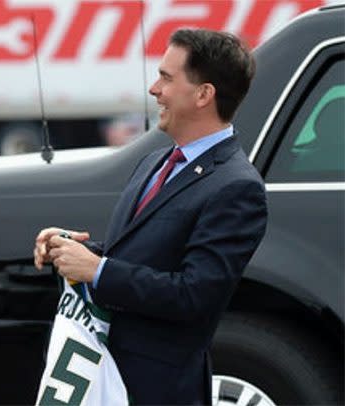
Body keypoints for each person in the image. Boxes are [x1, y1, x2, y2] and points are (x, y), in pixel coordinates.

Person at [33, 29, 267, 404]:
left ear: (204, 94)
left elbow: (195, 295)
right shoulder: (153, 163)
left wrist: (97, 270)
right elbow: (141, 254)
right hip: (108, 378)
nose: (154, 89)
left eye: (167, 78)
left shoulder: (236, 187)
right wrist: (74, 250)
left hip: (159, 391)